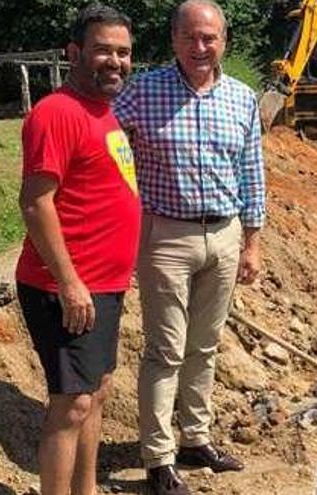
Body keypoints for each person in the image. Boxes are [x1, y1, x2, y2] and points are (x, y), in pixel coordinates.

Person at [113, 1, 265, 494]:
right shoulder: (142, 91)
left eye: (210, 38)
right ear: (174, 39)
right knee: (165, 350)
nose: (201, 48)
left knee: (205, 345)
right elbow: (103, 145)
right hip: (165, 237)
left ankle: (195, 438)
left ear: (224, 41)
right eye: (191, 38)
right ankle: (158, 458)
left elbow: (251, 174)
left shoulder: (242, 99)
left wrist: (251, 242)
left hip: (224, 236)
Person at [14, 4, 139, 495]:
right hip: (66, 288)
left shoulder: (102, 112)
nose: (115, 61)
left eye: (123, 52)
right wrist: (69, 283)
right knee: (72, 404)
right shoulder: (57, 113)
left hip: (103, 286)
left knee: (97, 391)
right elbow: (36, 203)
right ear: (74, 53)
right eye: (103, 50)